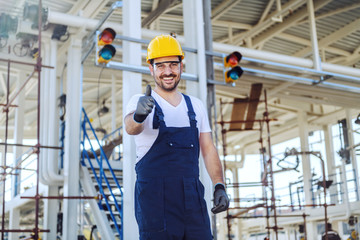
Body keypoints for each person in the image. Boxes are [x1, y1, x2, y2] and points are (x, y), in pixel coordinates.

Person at [124, 34, 229, 239]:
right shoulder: (140, 101)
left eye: (173, 64)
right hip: (155, 199)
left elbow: (207, 148)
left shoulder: (195, 106)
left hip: (192, 197)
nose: (168, 71)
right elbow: (131, 128)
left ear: (182, 66)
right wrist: (138, 115)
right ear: (151, 68)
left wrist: (219, 185)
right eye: (161, 66)